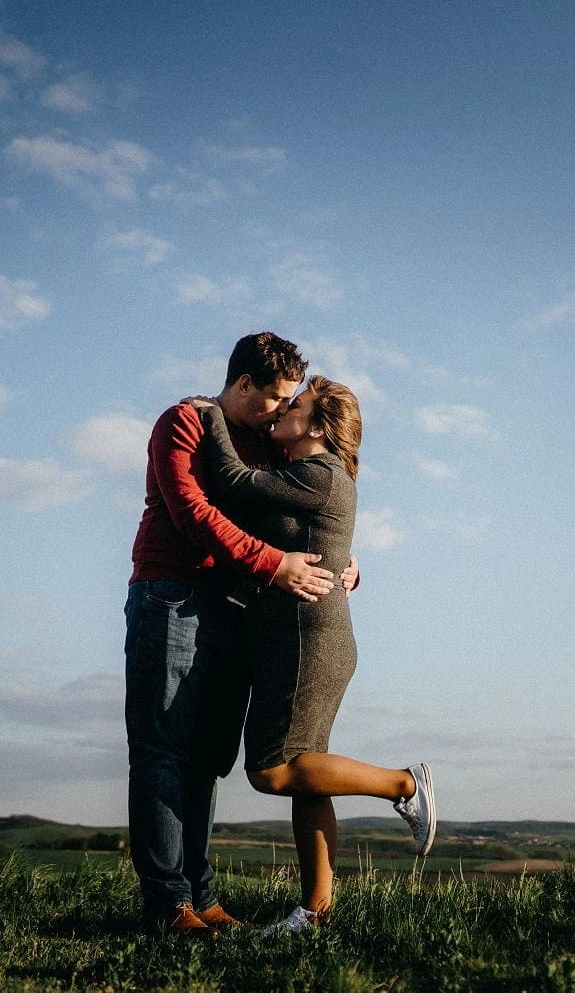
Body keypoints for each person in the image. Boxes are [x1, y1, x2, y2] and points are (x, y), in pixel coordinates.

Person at [125, 332, 354, 939]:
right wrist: (273, 564)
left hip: (236, 611)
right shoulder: (186, 421)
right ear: (245, 384)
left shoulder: (268, 443)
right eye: (277, 397)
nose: (285, 409)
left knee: (207, 759)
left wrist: (344, 563)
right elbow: (191, 511)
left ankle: (202, 898)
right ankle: (168, 906)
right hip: (172, 595)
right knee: (163, 751)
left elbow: (305, 508)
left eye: (291, 402)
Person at [193, 375, 435, 934]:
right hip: (301, 635)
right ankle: (315, 912)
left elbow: (232, 476)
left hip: (308, 638)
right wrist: (351, 565)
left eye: (294, 404)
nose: (281, 409)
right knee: (308, 776)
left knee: (271, 771)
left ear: (319, 426)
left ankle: (405, 784)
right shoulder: (305, 477)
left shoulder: (319, 475)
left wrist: (208, 411)